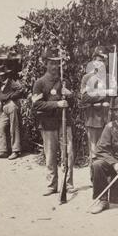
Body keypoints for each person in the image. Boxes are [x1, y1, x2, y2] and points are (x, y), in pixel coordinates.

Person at [32, 47, 75, 196]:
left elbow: (73, 103)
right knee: (50, 155)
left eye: (57, 63)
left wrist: (69, 95)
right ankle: (52, 185)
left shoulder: (64, 82)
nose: (55, 67)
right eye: (51, 63)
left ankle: (68, 184)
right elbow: (36, 105)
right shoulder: (39, 83)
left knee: (68, 153)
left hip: (65, 123)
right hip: (49, 124)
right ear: (46, 64)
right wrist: (56, 104)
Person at [79, 46, 116, 186]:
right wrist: (104, 93)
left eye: (103, 61)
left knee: (107, 150)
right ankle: (94, 179)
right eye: (97, 60)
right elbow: (84, 98)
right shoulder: (87, 78)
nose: (100, 63)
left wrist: (110, 91)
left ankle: (107, 178)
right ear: (93, 62)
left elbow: (115, 94)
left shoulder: (109, 78)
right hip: (93, 119)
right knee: (94, 151)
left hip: (107, 119)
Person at [0, 65, 24, 160]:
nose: (1, 77)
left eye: (3, 75)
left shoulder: (11, 82)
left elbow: (21, 89)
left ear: (6, 74)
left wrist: (11, 97)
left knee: (13, 127)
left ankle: (16, 150)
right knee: (0, 127)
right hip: (3, 107)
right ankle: (3, 151)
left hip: (11, 105)